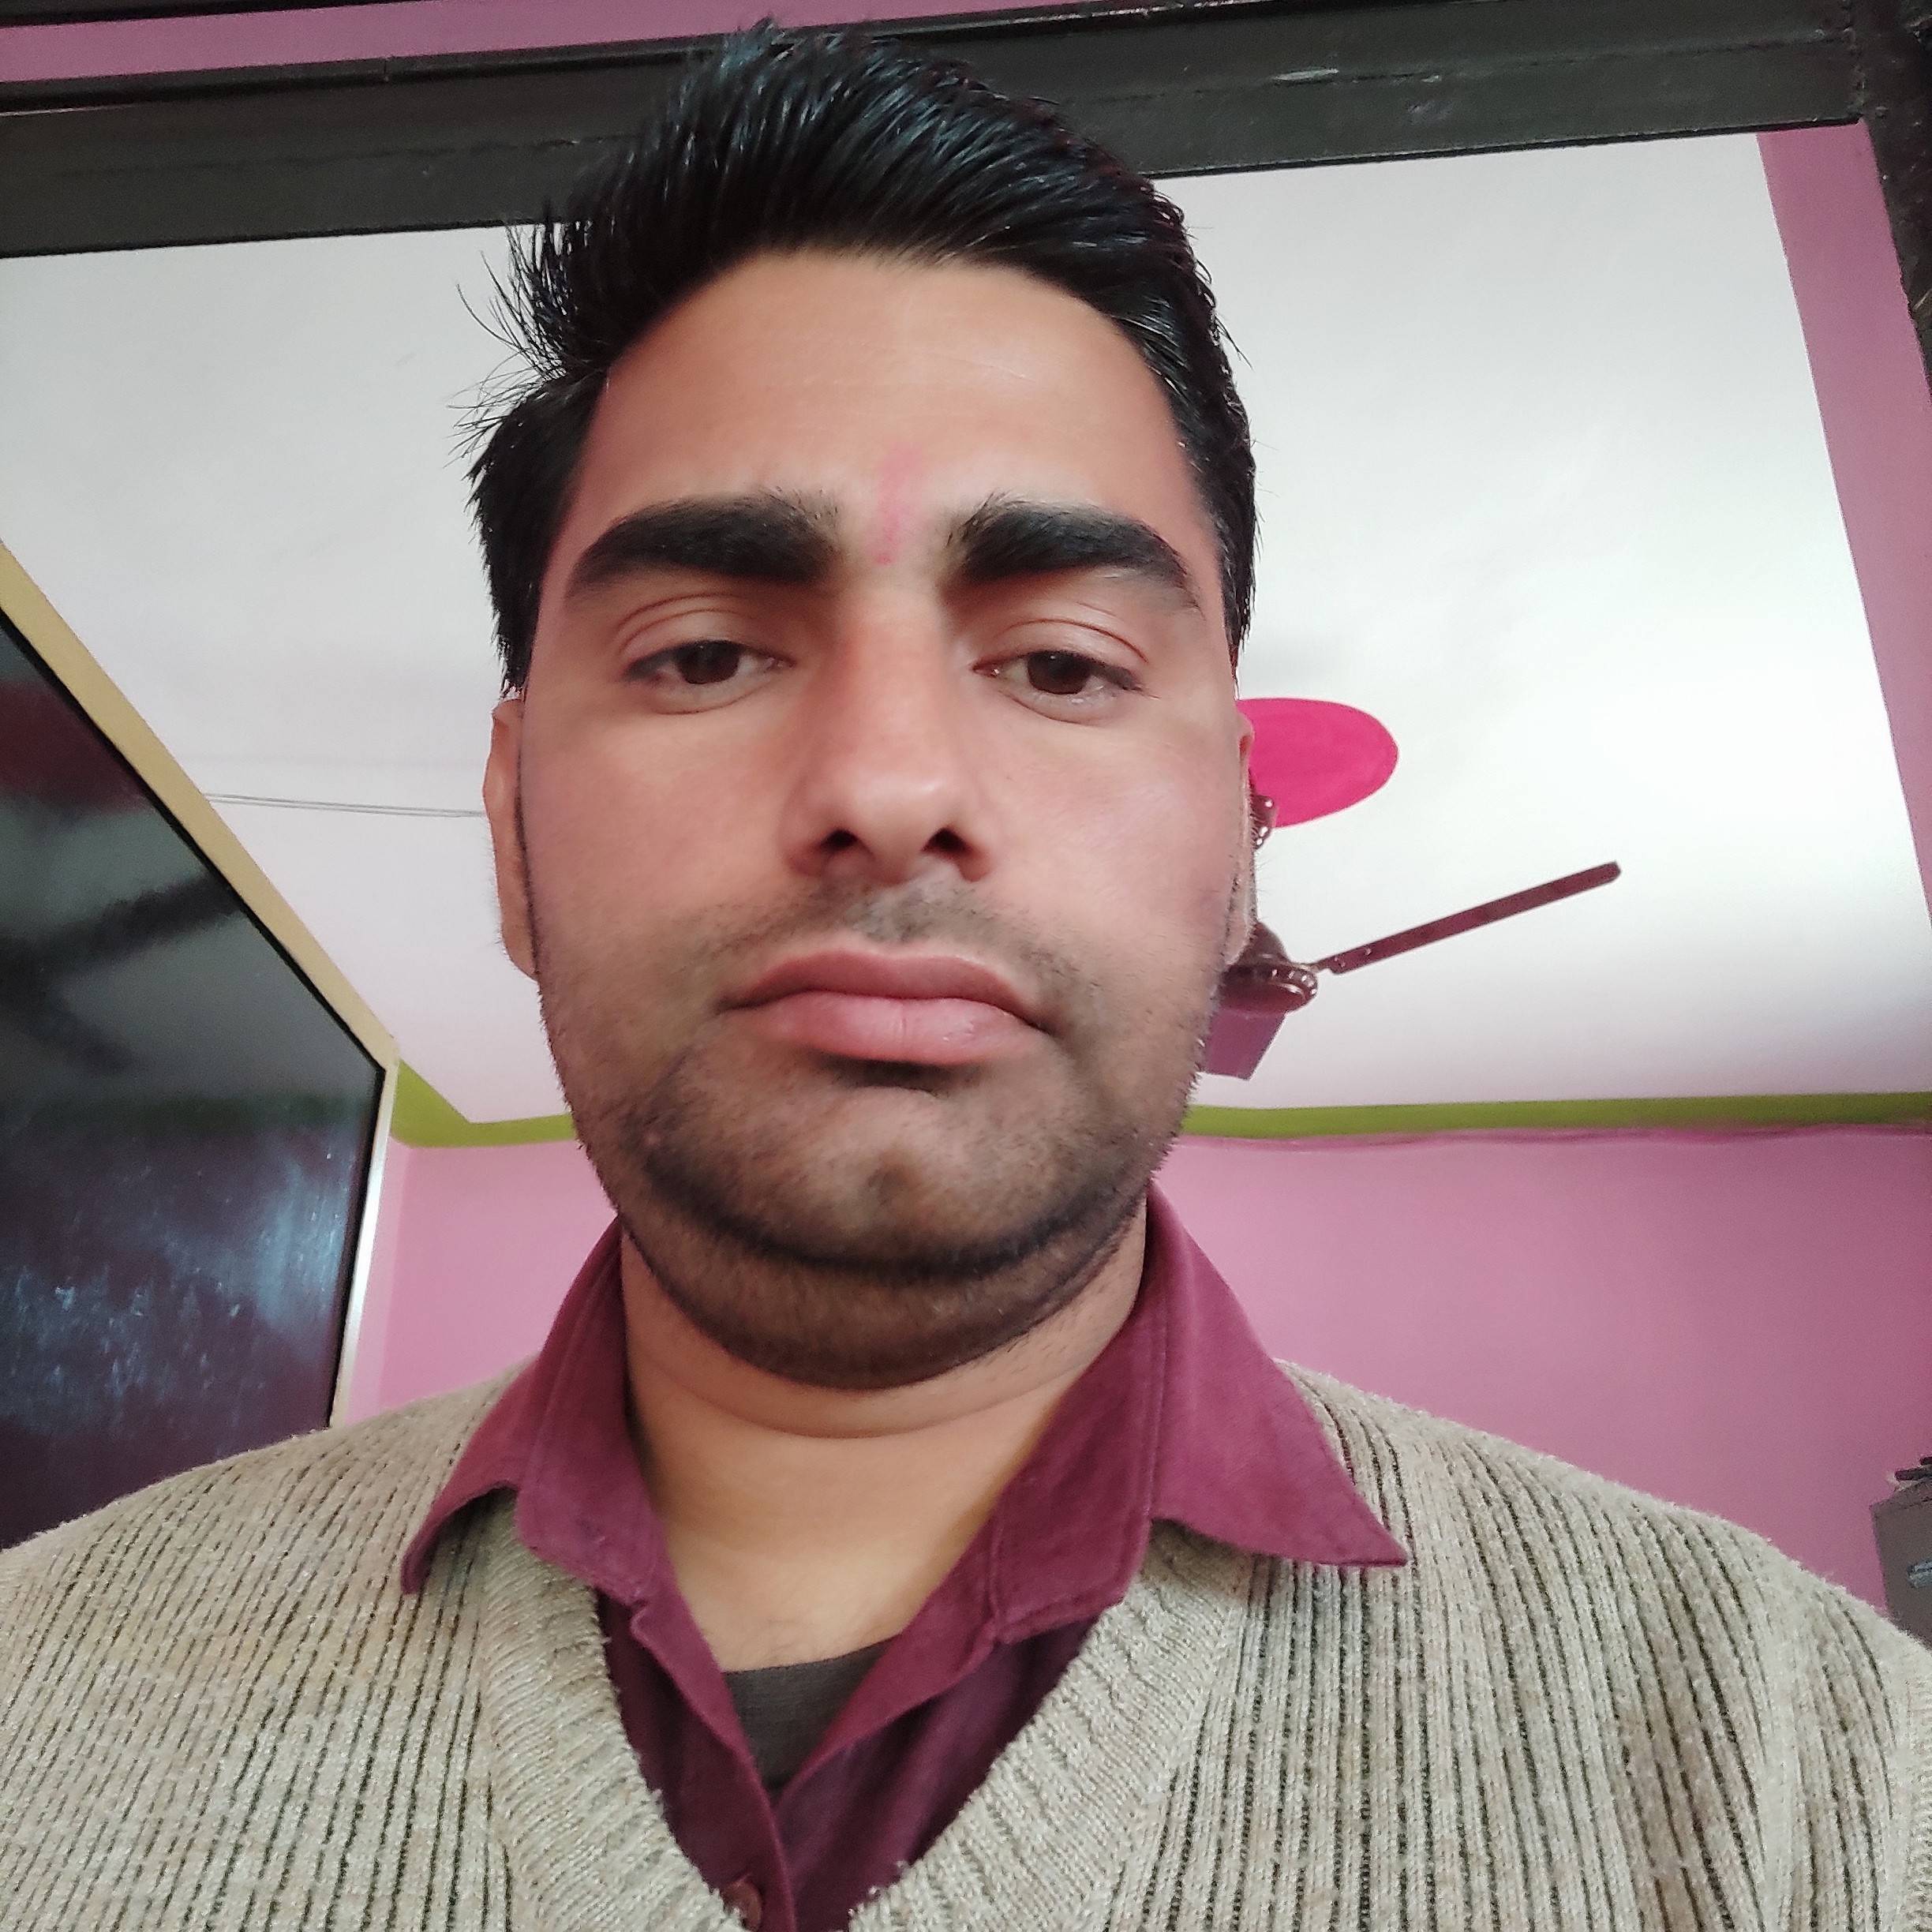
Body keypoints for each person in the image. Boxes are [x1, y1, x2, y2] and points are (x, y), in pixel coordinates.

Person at [2, 24, 1926, 1932]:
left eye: (1065, 663)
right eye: (702, 655)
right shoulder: (33, 1701)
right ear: (511, 828)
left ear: (1241, 846)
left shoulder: (1815, 1774)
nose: (890, 786)